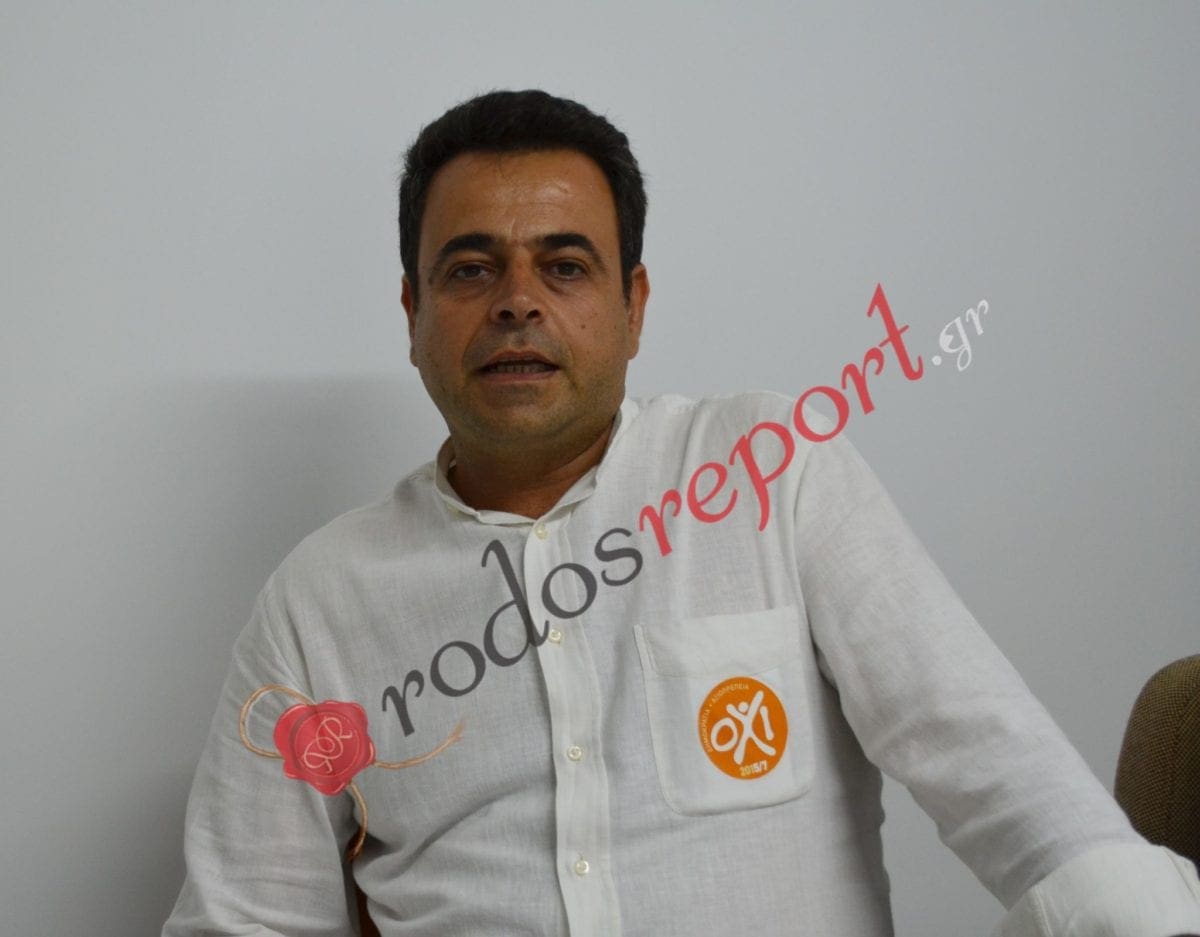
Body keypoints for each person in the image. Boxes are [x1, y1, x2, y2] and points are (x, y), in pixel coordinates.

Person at [163, 89, 1200, 936]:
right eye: (471, 269)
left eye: (564, 266)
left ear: (634, 307)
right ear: (413, 314)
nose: (518, 300)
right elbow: (248, 914)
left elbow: (998, 768)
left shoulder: (772, 472)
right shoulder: (320, 601)